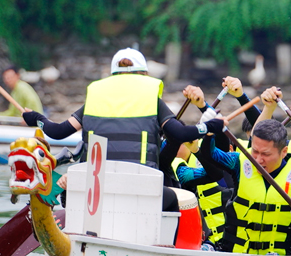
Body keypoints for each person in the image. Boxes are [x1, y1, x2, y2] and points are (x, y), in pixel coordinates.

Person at [21, 47, 226, 211]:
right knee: (175, 199)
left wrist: (36, 118)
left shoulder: (95, 100)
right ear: (144, 74)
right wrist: (208, 126)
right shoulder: (151, 100)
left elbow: (56, 132)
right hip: (140, 187)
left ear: (113, 75)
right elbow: (180, 134)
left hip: (95, 188)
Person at [203, 119, 291, 256]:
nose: (258, 159)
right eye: (255, 151)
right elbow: (210, 154)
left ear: (284, 152)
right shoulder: (239, 163)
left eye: (266, 154)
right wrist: (209, 133)